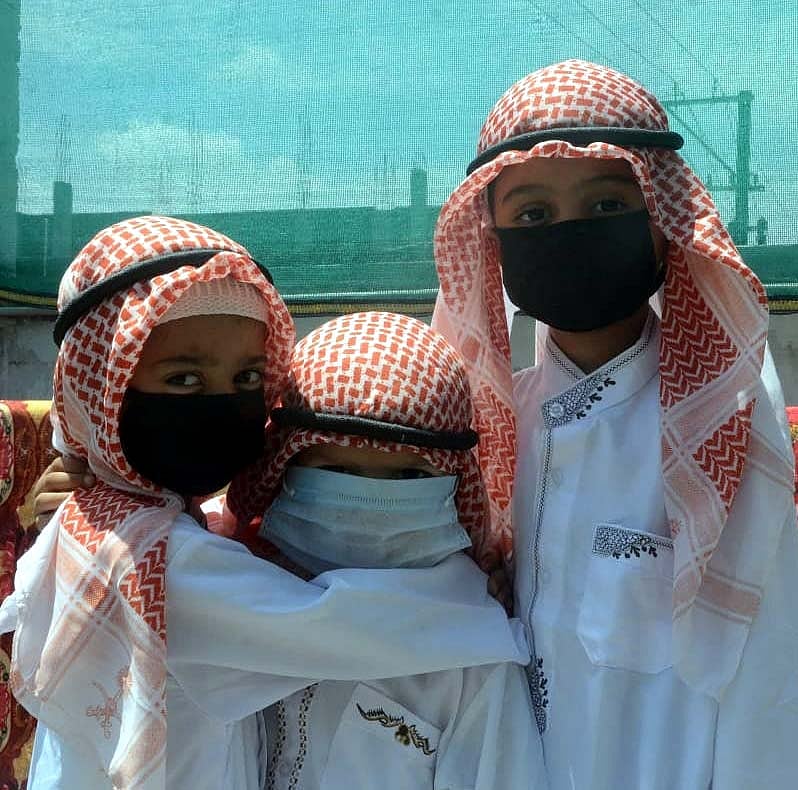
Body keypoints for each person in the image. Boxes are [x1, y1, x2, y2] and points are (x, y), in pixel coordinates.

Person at [0, 217, 529, 790]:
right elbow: (332, 626)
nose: (222, 402)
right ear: (102, 386)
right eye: (182, 380)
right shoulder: (152, 557)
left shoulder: (140, 521)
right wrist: (476, 604)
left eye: (249, 377)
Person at [431, 59, 798, 789]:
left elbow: (769, 691)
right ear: (495, 248)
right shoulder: (488, 434)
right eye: (532, 215)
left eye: (605, 206)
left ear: (663, 226)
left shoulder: (728, 435)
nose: (568, 234)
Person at [225, 310, 545, 789]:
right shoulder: (224, 595)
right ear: (283, 467)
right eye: (340, 472)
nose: (369, 503)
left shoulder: (471, 648)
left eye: (410, 478)